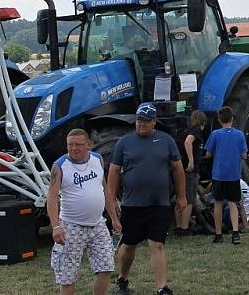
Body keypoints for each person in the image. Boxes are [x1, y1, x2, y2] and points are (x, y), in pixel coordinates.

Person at [108, 102, 186, 295]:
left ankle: (161, 287)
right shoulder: (124, 142)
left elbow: (177, 168)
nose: (142, 124)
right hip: (132, 205)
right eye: (139, 120)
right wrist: (111, 201)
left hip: (159, 203)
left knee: (157, 244)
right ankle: (122, 278)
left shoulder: (166, 140)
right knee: (128, 246)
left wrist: (182, 196)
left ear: (154, 121)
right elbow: (114, 172)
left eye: (147, 120)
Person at [47, 129, 120, 295]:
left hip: (98, 224)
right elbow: (51, 198)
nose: (74, 148)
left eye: (78, 144)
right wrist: (56, 227)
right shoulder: (60, 166)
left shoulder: (97, 159)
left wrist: (114, 218)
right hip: (71, 226)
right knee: (67, 275)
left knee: (106, 266)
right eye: (70, 145)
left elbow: (105, 189)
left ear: (88, 144)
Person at [204, 106, 247, 244]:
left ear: (219, 120)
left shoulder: (215, 134)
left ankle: (218, 234)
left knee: (217, 203)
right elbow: (244, 154)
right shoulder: (240, 134)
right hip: (234, 174)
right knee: (233, 203)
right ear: (233, 119)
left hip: (219, 174)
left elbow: (208, 153)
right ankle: (235, 232)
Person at [174, 110, 207, 235]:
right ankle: (184, 228)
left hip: (179, 168)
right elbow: (188, 142)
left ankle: (178, 226)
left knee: (179, 197)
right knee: (189, 199)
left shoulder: (183, 131)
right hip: (189, 170)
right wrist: (191, 161)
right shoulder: (196, 130)